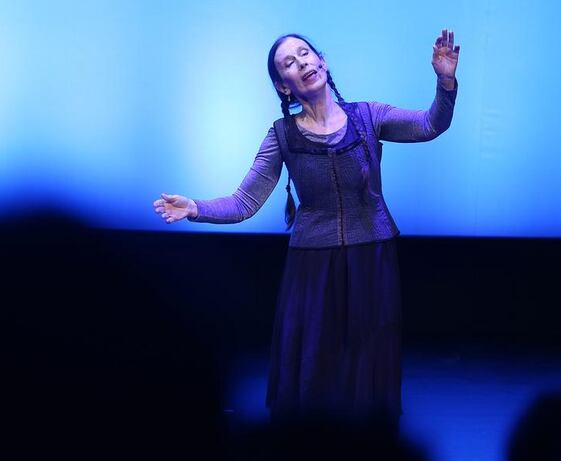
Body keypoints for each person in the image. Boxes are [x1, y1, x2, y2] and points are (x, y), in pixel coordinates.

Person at [153, 31, 459, 424]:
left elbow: (431, 124)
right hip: (313, 269)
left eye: (305, 54)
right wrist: (195, 207)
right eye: (289, 63)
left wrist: (445, 81)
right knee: (315, 364)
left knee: (368, 361)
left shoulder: (368, 116)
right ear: (284, 85)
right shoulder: (282, 136)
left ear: (323, 62)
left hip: (371, 259)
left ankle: (367, 460)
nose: (302, 63)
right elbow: (244, 202)